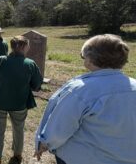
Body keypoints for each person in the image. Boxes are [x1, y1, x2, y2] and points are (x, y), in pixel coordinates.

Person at [34, 34, 136, 164]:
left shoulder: (81, 90)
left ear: (90, 58)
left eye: (83, 56)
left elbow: (61, 126)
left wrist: (44, 142)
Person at [0, 36, 43, 164]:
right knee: (19, 129)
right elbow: (37, 85)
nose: (29, 47)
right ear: (22, 47)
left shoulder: (1, 60)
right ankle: (17, 155)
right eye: (28, 45)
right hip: (20, 104)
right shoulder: (30, 64)